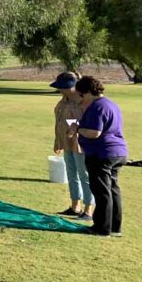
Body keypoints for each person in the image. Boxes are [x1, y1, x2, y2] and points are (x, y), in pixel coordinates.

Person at [72, 76, 128, 237]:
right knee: (113, 189)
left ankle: (102, 228)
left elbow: (94, 132)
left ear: (88, 92)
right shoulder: (112, 104)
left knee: (102, 191)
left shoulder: (97, 106)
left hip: (101, 153)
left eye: (82, 95)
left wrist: (78, 129)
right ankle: (115, 227)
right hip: (118, 152)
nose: (82, 99)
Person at [50, 71, 93, 221]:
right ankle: (75, 206)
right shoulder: (64, 98)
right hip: (66, 141)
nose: (61, 89)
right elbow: (59, 120)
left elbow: (90, 122)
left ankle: (88, 210)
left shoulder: (83, 100)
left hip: (80, 143)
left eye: (64, 87)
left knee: (84, 175)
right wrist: (58, 140)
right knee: (71, 174)